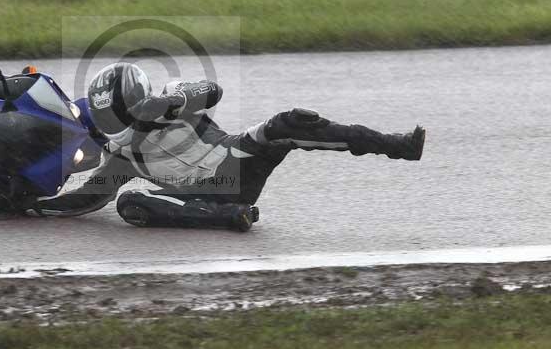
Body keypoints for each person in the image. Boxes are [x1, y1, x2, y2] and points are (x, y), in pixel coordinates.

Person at [29, 63, 425, 231]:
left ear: (137, 96)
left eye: (123, 113)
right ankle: (230, 216)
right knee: (131, 205)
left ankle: (396, 145)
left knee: (290, 122)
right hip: (201, 193)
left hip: (235, 159)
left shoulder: (175, 96)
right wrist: (32, 206)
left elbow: (212, 90)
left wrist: (168, 104)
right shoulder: (121, 155)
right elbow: (86, 200)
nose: (120, 126)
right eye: (110, 120)